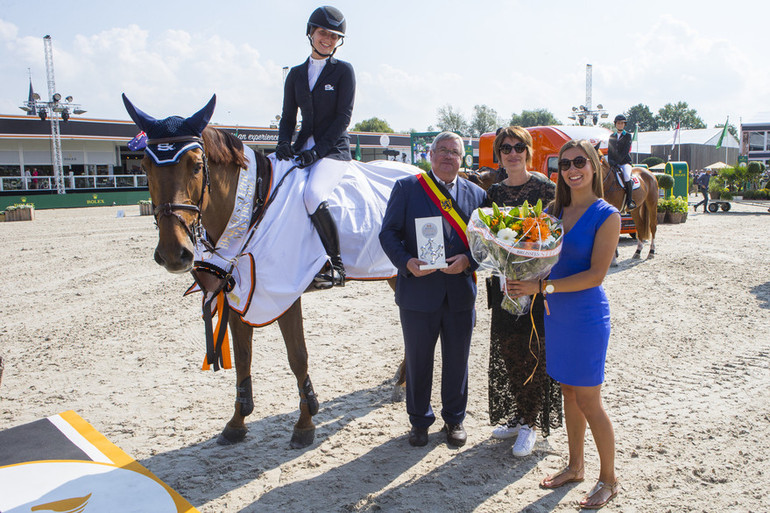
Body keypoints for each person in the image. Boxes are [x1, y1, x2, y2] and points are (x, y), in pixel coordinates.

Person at [507, 140, 621, 509]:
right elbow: (538, 257)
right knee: (568, 393)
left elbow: (595, 275)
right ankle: (575, 466)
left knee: (589, 399)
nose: (572, 169)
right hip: (556, 314)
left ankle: (609, 479)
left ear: (594, 166)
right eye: (565, 163)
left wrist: (541, 287)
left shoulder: (607, 215)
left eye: (579, 162)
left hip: (585, 315)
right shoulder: (554, 211)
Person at [379, 132, 487, 448]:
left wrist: (468, 261)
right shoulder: (408, 188)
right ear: (430, 154)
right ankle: (420, 421)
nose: (447, 156)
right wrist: (406, 262)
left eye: (454, 151)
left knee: (458, 360)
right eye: (441, 150)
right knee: (417, 360)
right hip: (417, 292)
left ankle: (454, 420)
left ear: (462, 159)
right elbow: (388, 234)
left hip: (459, 293)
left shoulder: (477, 196)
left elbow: (485, 244)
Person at [484, 126, 562, 457]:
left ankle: (531, 423)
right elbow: (489, 238)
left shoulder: (546, 189)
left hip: (537, 286)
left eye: (519, 147)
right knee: (509, 350)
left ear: (528, 152)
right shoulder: (494, 192)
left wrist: (536, 280)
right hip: (506, 285)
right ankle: (518, 414)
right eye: (505, 148)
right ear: (498, 155)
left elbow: (556, 238)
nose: (512, 153)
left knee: (534, 353)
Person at [276, 5, 355, 287]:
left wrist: (317, 152)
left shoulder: (343, 72)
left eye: (334, 37)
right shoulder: (295, 74)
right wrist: (283, 143)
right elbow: (288, 117)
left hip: (333, 150)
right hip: (302, 147)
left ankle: (336, 266)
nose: (328, 40)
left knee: (312, 194)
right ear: (311, 32)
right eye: (324, 33)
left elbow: (342, 118)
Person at [607, 114, 636, 211]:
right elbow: (610, 150)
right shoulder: (612, 136)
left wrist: (617, 161)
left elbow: (625, 151)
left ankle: (629, 201)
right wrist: (610, 161)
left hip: (624, 163)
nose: (620, 125)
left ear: (624, 125)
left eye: (622, 123)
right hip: (613, 163)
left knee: (627, 176)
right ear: (615, 124)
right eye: (618, 123)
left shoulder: (627, 136)